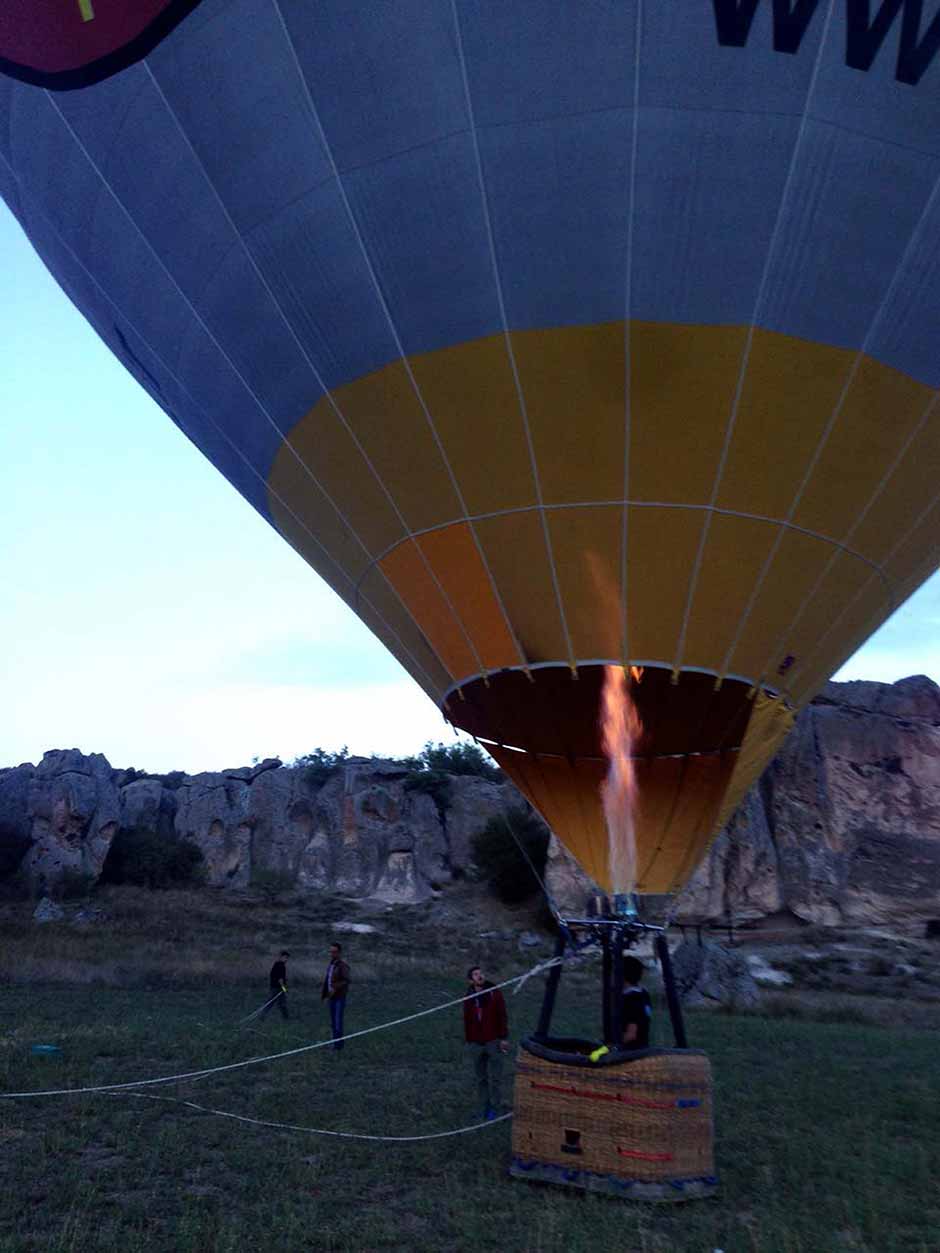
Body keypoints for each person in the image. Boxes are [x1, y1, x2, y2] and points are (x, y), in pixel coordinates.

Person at [463, 965, 509, 1121]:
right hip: (476, 1043)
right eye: (476, 974)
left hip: (493, 1041)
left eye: (481, 973)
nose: (480, 976)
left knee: (496, 1078)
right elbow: (467, 1020)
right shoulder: (468, 996)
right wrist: (470, 1040)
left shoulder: (494, 993)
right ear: (471, 979)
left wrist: (503, 1038)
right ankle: (483, 1107)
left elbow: (502, 1015)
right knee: (481, 1078)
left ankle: (495, 1110)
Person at [321, 942, 350, 1050]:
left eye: (334, 952)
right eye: (331, 951)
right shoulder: (331, 965)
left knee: (338, 1022)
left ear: (339, 952)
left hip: (339, 997)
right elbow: (327, 980)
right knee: (333, 1022)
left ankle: (338, 1046)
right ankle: (335, 1043)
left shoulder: (343, 965)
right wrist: (325, 995)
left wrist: (335, 988)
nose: (332, 954)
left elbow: (346, 980)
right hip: (331, 997)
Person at [621, 955, 652, 1049]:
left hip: (630, 1053)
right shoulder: (643, 994)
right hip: (642, 1048)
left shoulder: (631, 999)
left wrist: (609, 1047)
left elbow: (631, 1035)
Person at [260, 950, 290, 1020]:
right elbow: (280, 979)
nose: (286, 959)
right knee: (271, 1002)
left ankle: (286, 1018)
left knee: (282, 1004)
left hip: (274, 987)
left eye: (287, 958)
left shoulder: (276, 964)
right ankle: (262, 1016)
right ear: (281, 957)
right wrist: (284, 989)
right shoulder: (281, 966)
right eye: (285, 958)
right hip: (277, 988)